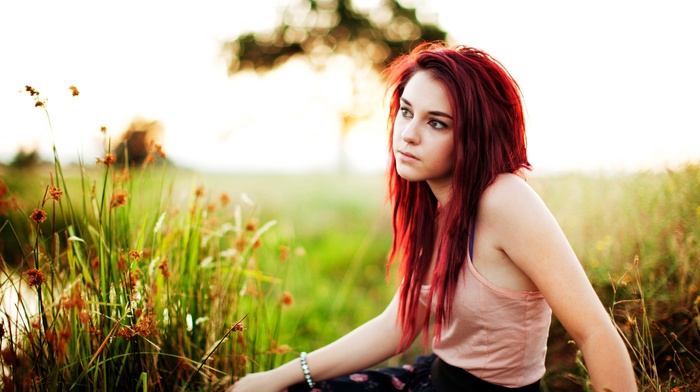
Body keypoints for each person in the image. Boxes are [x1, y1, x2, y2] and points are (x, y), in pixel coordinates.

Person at [229, 42, 637, 392]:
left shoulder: (505, 199)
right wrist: (279, 377)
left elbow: (595, 332)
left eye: (436, 123)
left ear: (474, 136)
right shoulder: (437, 204)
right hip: (430, 378)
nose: (408, 134)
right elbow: (399, 325)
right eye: (406, 112)